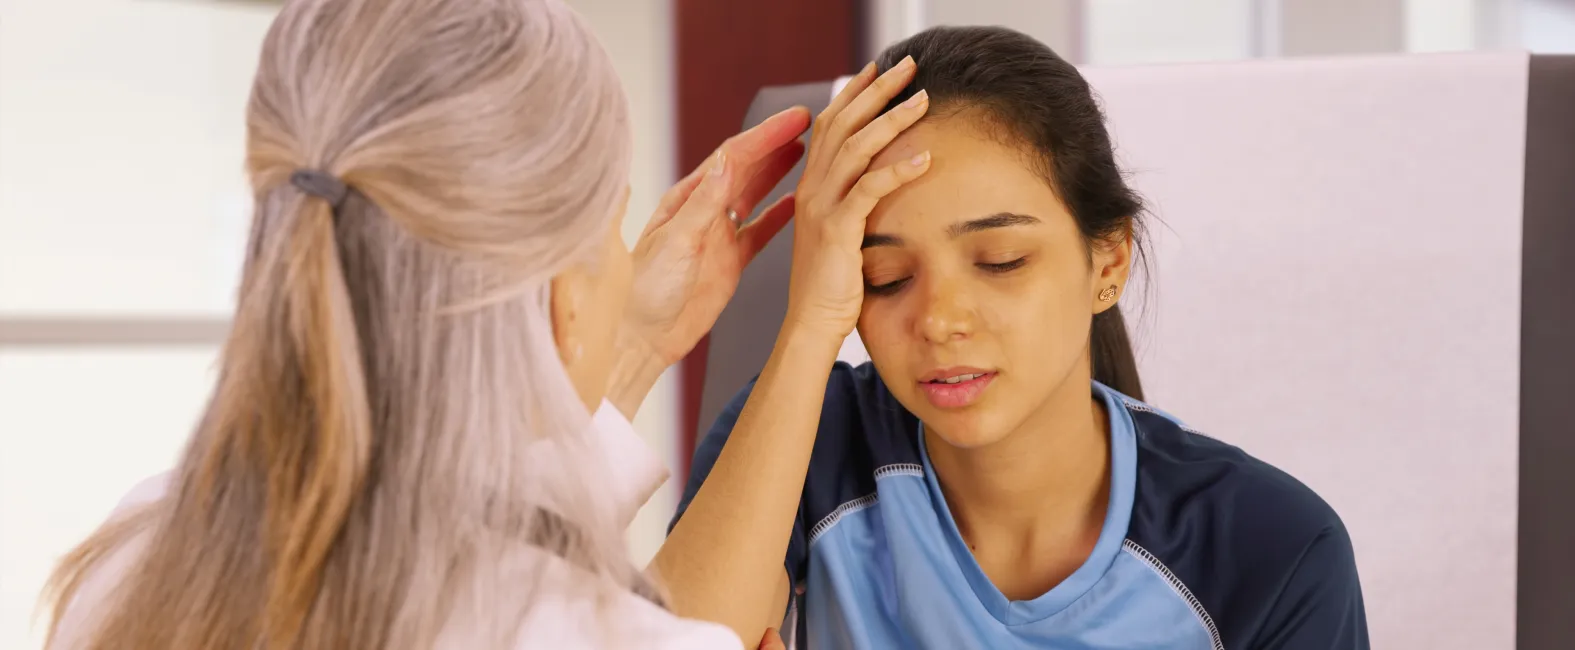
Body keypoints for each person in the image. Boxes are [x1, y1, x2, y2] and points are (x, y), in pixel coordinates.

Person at [39, 0, 809, 648]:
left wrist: (633, 342)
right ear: (563, 297)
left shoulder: (128, 561)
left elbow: (463, 528)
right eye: (612, 230)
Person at [656, 26, 1371, 649]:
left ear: (1108, 261)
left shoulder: (1271, 548)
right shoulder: (808, 445)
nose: (940, 320)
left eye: (1001, 262)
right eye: (885, 276)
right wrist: (810, 322)